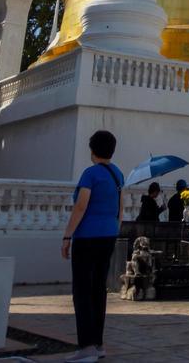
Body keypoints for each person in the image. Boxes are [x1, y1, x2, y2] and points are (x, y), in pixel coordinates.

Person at [62, 129, 124, 363]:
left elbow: (80, 207)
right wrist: (113, 229)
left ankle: (86, 346)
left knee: (82, 291)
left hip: (87, 237)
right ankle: (97, 344)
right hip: (108, 235)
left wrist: (67, 236)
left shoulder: (90, 174)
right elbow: (120, 208)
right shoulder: (117, 174)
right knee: (99, 290)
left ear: (92, 150)